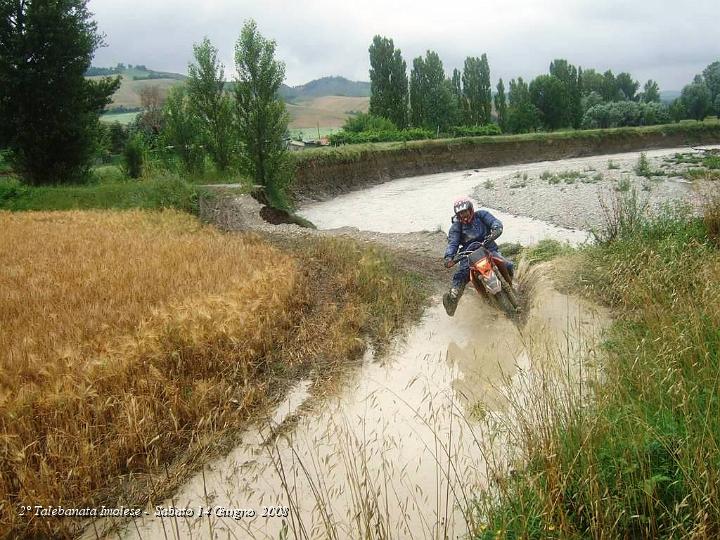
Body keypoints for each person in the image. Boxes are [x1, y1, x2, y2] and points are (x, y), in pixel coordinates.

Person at [442, 196, 515, 316]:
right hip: (467, 256)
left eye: (465, 211)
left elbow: (494, 222)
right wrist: (449, 257)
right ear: (457, 215)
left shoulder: (481, 215)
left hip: (488, 248)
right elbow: (452, 243)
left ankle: (511, 283)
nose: (464, 215)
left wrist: (496, 228)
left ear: (470, 209)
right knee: (461, 275)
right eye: (460, 213)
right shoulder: (456, 227)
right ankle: (452, 300)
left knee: (507, 264)